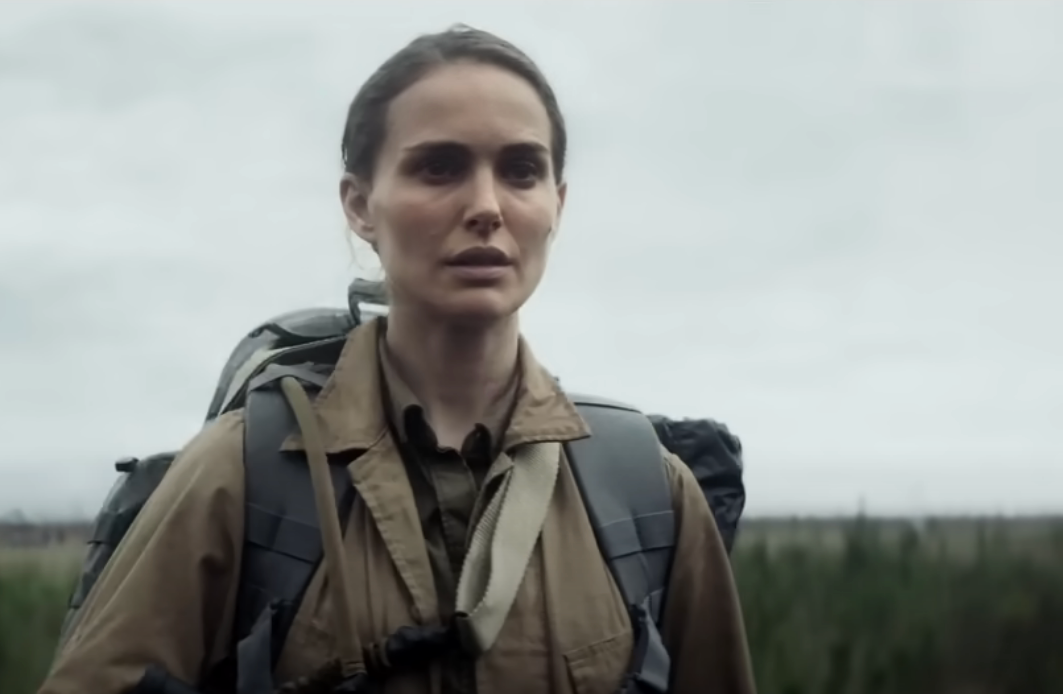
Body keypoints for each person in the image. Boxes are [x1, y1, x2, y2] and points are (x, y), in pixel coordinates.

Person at [39, 24, 756, 694]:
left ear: (557, 204)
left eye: (521, 170)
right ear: (360, 205)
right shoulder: (243, 475)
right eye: (439, 168)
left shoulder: (645, 492)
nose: (486, 206)